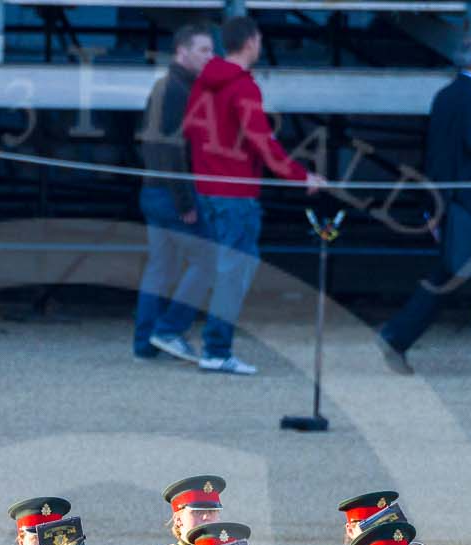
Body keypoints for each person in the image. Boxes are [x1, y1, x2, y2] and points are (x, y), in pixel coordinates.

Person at [181, 16, 328, 375]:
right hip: (235, 194)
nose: (260, 44)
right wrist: (300, 176)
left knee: (228, 269)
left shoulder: (205, 81)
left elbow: (190, 128)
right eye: (259, 39)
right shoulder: (243, 86)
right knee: (235, 272)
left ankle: (213, 345)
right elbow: (262, 141)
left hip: (208, 190)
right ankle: (217, 350)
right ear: (249, 42)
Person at [376, 35, 471, 377]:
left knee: (450, 274)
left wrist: (433, 205)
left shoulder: (445, 96)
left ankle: (398, 336)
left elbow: (436, 153)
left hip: (454, 199)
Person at [134, 25, 215, 363]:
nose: (210, 57)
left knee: (160, 268)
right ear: (182, 52)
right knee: (207, 260)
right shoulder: (177, 90)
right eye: (204, 51)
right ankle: (169, 329)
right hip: (170, 195)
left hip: (155, 191)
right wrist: (184, 200)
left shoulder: (169, 87)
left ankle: (146, 342)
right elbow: (169, 148)